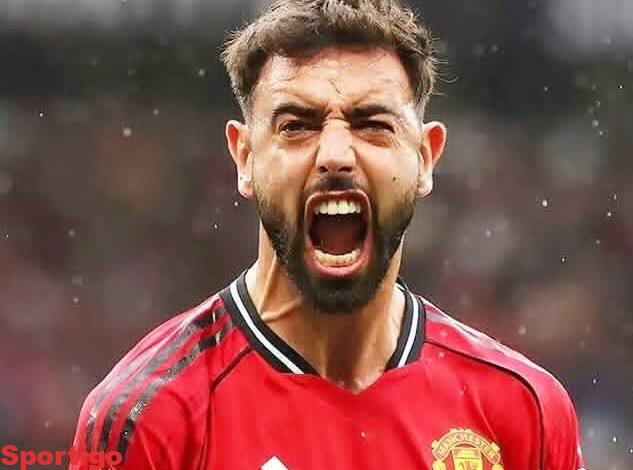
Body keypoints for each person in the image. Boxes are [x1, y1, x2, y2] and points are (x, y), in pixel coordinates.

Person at [70, 0, 586, 468]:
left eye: (372, 124)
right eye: (297, 126)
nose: (335, 155)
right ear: (245, 158)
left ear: (425, 158)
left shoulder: (523, 409)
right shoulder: (151, 418)